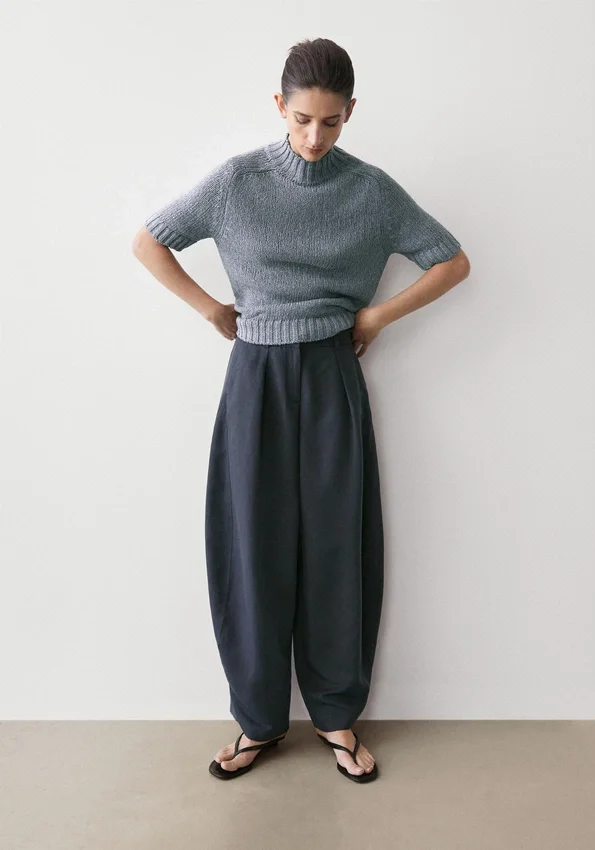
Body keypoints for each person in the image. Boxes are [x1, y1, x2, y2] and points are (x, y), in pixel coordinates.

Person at [132, 37, 470, 783]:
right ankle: (257, 720)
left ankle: (336, 715)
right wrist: (213, 310)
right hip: (253, 373)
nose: (315, 137)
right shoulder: (237, 182)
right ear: (279, 106)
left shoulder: (371, 191)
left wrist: (376, 316)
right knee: (251, 544)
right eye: (302, 119)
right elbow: (150, 242)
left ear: (351, 113)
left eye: (331, 122)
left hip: (331, 373)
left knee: (335, 542)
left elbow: (451, 260)